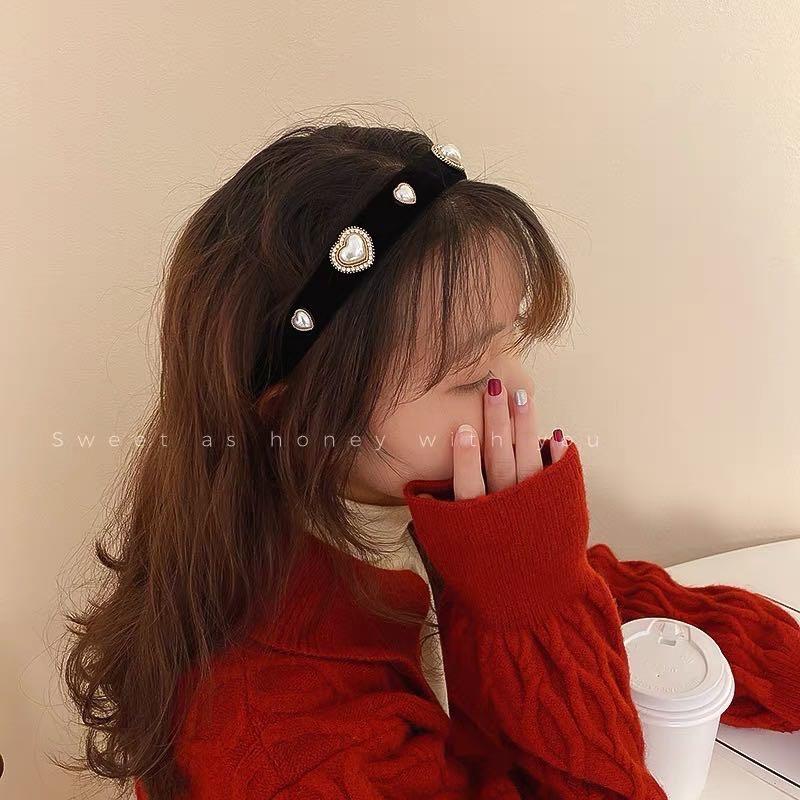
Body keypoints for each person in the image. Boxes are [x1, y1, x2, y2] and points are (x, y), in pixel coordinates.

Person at [59, 122, 800, 800]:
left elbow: (591, 591)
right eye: (470, 376)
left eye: (514, 339)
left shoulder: (390, 499)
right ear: (300, 419)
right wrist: (534, 600)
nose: (519, 386)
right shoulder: (284, 740)